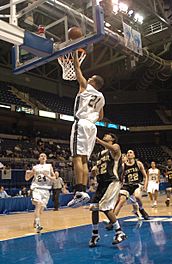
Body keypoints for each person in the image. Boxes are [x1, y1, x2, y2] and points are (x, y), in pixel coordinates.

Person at [68, 50, 105, 207]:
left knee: (77, 157)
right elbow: (101, 117)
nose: (87, 79)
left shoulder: (85, 87)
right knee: (84, 159)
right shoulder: (102, 97)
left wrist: (74, 53)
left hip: (82, 123)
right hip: (92, 127)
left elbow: (77, 68)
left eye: (90, 79)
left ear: (93, 82)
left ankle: (78, 191)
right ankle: (82, 192)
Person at [89, 133, 127, 247]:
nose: (105, 135)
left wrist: (99, 141)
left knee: (104, 207)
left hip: (112, 181)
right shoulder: (100, 154)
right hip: (101, 183)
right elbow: (96, 169)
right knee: (94, 207)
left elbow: (114, 148)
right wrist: (94, 171)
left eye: (107, 135)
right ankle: (95, 234)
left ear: (112, 139)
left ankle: (119, 232)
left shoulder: (116, 147)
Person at [110, 150, 149, 225]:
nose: (129, 153)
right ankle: (113, 220)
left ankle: (141, 209)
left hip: (137, 184)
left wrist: (145, 186)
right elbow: (120, 177)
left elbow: (145, 176)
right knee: (121, 201)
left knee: (137, 196)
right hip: (127, 185)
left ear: (134, 155)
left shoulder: (138, 163)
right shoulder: (123, 165)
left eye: (131, 152)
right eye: (127, 152)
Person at [25, 153, 56, 233]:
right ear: (39, 158)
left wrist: (47, 176)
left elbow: (54, 179)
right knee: (38, 204)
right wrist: (27, 173)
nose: (43, 157)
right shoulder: (35, 167)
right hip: (36, 188)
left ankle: (35, 221)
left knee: (40, 210)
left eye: (45, 156)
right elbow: (27, 179)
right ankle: (38, 225)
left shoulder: (49, 166)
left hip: (46, 190)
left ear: (46, 158)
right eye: (41, 156)